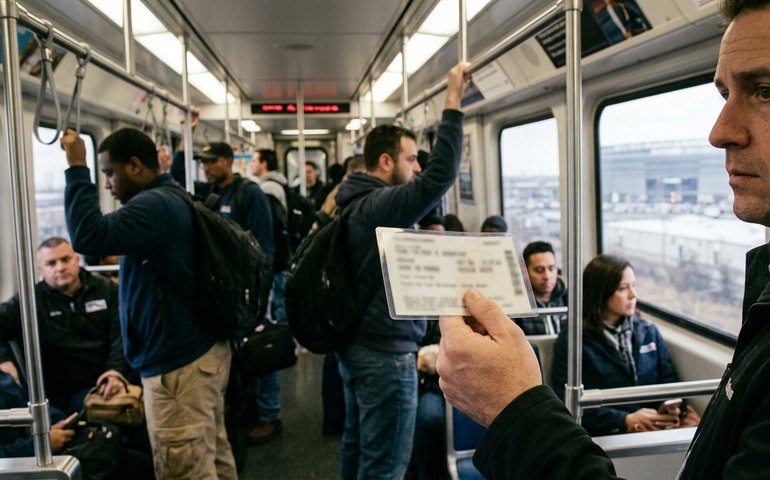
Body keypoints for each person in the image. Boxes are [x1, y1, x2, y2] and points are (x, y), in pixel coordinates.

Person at [435, 1, 770, 477]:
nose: (719, 132)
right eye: (723, 95)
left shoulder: (649, 332)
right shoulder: (761, 301)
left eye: (765, 90)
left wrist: (517, 410)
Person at [61, 127, 237, 479]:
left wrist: (77, 167)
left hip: (178, 368)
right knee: (210, 457)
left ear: (136, 166)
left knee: (184, 469)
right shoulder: (169, 199)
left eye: (109, 173)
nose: (107, 184)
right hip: (196, 353)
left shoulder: (153, 205)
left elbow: (87, 236)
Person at [335, 61, 469, 480]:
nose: (416, 168)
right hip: (385, 355)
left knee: (358, 447)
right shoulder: (379, 205)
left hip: (360, 345)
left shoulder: (357, 202)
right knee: (386, 467)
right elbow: (440, 178)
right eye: (411, 160)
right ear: (386, 161)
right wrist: (452, 101)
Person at [551, 254, 698, 436]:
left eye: (633, 286)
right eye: (623, 288)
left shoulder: (648, 332)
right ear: (601, 293)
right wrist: (624, 420)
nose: (633, 295)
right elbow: (565, 401)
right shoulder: (573, 340)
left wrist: (672, 406)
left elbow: (669, 381)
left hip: (653, 429)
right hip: (606, 434)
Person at [0, 237, 129, 413]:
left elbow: (121, 335)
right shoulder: (30, 301)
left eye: (66, 259)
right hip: (65, 392)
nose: (60, 268)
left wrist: (115, 372)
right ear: (41, 270)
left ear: (77, 260)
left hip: (108, 376)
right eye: (51, 263)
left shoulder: (108, 290)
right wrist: (3, 361)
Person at [517, 241, 568, 335]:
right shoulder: (517, 305)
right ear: (525, 271)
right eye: (539, 270)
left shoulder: (568, 299)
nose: (547, 276)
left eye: (551, 268)